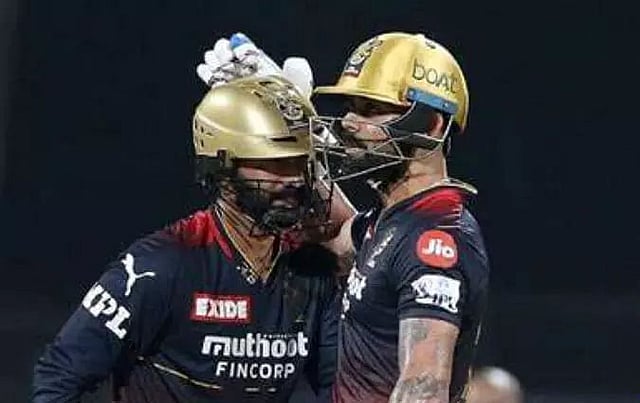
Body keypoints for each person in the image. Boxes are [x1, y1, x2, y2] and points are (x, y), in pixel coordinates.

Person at [32, 75, 341, 402]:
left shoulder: (315, 271)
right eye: (274, 164)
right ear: (223, 168)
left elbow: (341, 389)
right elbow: (59, 376)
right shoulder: (158, 266)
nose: (294, 178)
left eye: (300, 162)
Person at [311, 32, 491, 403]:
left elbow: (423, 390)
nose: (349, 121)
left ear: (432, 125)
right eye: (351, 106)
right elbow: (336, 237)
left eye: (371, 109)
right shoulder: (395, 219)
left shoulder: (435, 238)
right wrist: (288, 123)